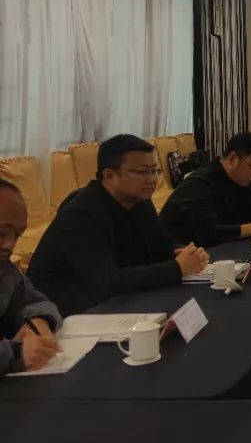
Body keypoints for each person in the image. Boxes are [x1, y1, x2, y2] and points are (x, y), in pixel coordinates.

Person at [28, 134, 209, 315]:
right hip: (60, 309)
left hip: (110, 298)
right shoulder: (80, 214)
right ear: (109, 176)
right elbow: (107, 280)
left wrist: (179, 252)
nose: (152, 179)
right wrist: (175, 268)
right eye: (143, 171)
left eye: (155, 170)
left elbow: (160, 244)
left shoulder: (140, 201)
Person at [160, 132, 251, 247]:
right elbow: (207, 233)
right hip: (177, 252)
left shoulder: (240, 180)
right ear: (232, 159)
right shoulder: (199, 183)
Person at [0, 180, 62, 376]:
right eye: (2, 233)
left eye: (17, 235)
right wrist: (15, 354)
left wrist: (37, 321)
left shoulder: (4, 270)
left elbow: (36, 301)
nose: (10, 245)